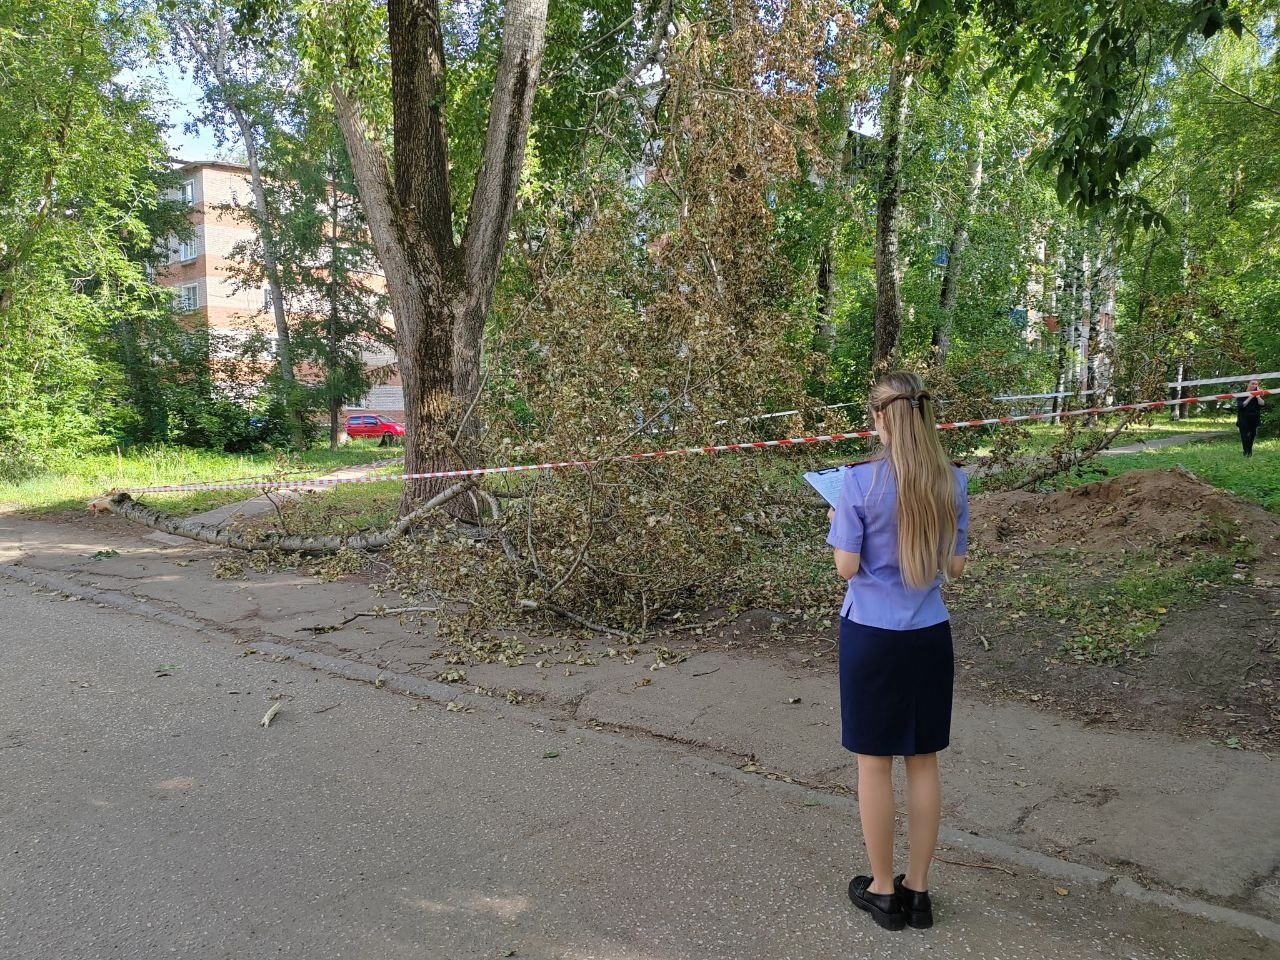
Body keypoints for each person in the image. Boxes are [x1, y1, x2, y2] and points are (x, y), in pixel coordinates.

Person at [825, 371, 969, 932]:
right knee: (924, 761)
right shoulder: (951, 482)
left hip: (873, 638)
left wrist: (839, 521)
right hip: (929, 635)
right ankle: (921, 891)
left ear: (880, 419)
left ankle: (883, 892)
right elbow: (954, 568)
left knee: (874, 764)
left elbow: (847, 567)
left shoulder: (856, 484)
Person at [1237, 379, 1265, 458]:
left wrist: (1258, 396)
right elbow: (1241, 406)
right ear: (1248, 384)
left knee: (1251, 439)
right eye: (1252, 384)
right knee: (1245, 438)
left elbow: (1262, 404)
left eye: (1256, 384)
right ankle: (1246, 453)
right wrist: (1250, 396)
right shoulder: (1241, 394)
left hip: (1254, 419)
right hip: (1243, 420)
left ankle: (1249, 453)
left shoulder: (1258, 394)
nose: (1254, 386)